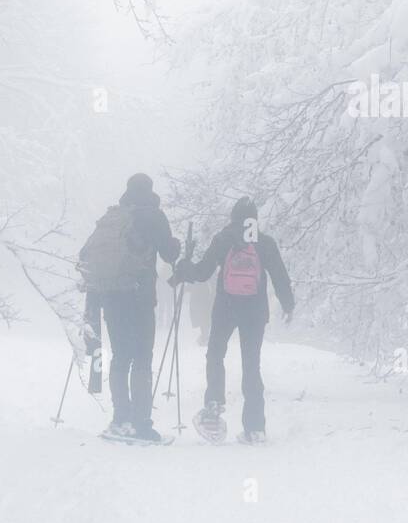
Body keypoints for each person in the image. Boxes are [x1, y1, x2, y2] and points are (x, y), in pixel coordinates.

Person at [171, 196, 293, 443]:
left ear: (233, 217)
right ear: (254, 219)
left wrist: (185, 268)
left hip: (226, 307)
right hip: (255, 311)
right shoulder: (265, 242)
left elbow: (202, 272)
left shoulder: (223, 239)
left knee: (215, 355)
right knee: (252, 364)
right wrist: (288, 304)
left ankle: (213, 409)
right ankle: (255, 428)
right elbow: (280, 274)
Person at [79, 173, 181, 441]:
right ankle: (141, 424)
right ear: (149, 191)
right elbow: (169, 254)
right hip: (139, 296)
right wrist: (177, 246)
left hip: (111, 296)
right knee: (142, 358)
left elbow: (84, 255)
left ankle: (120, 419)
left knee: (121, 357)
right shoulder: (153, 216)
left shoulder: (113, 217)